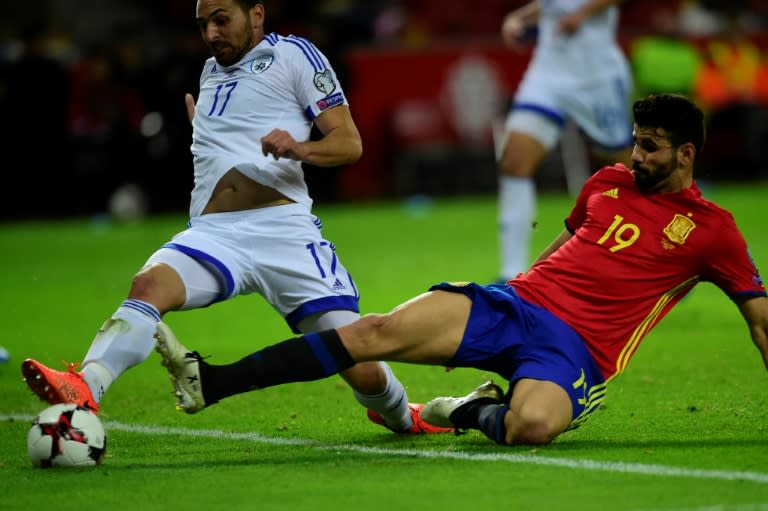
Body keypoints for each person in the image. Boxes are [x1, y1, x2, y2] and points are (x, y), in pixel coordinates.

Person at [155, 93, 767, 445]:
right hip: (516, 306)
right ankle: (213, 382)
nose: (636, 155)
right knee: (372, 333)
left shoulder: (714, 231)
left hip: (577, 352)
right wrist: (519, 290)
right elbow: (565, 242)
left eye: (651, 147)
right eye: (635, 141)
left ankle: (465, 409)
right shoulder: (607, 181)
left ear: (686, 154)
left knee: (531, 426)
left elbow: (760, 322)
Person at [20, 0, 450, 435]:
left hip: (285, 234)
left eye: (222, 20)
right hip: (217, 234)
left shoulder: (295, 56)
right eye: (204, 25)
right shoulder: (210, 73)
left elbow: (349, 143)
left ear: (256, 15)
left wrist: (301, 148)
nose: (211, 34)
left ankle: (401, 414)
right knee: (149, 286)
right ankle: (85, 386)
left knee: (361, 362)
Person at [496, 0, 635, 280]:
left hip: (597, 77)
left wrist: (582, 13)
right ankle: (511, 273)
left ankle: (667, 254)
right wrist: (521, 17)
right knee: (513, 160)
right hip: (548, 72)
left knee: (630, 170)